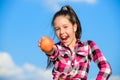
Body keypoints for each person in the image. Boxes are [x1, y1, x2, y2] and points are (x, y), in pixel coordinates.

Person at [38, 5, 112, 80]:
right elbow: (53, 51)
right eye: (57, 29)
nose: (61, 32)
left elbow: (106, 68)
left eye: (65, 27)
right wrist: (48, 49)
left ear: (74, 27)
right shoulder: (58, 48)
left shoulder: (88, 46)